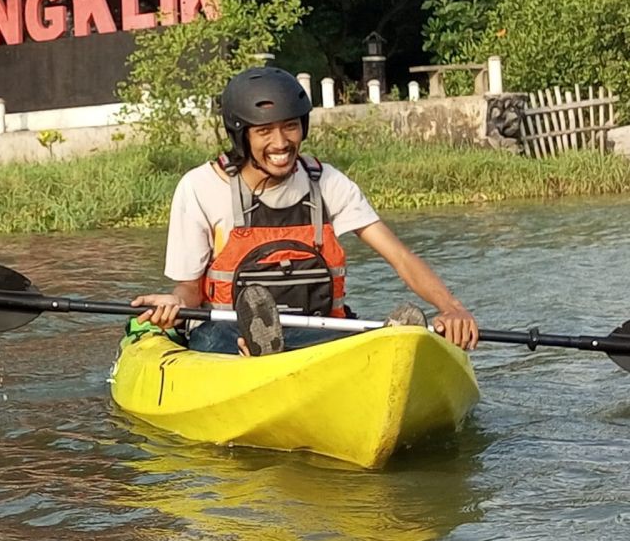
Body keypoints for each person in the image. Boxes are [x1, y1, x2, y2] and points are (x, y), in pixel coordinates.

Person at [131, 66, 479, 356]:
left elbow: (400, 257)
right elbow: (189, 290)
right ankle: (262, 352)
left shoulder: (326, 182)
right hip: (225, 331)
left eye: (290, 126)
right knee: (223, 339)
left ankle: (392, 342)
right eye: (265, 131)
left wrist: (451, 307)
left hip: (320, 330)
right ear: (242, 136)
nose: (281, 143)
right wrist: (174, 303)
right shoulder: (201, 187)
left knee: (371, 342)